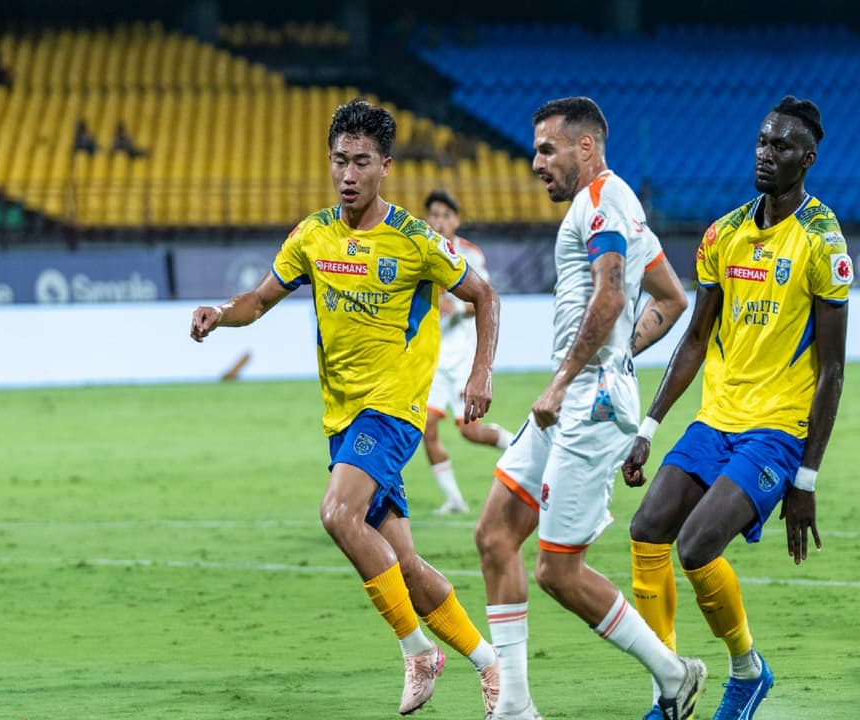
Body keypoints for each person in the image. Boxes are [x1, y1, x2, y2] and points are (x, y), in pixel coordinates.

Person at [190, 98, 502, 716]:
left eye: (361, 162)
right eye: (339, 161)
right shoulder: (313, 235)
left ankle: (417, 651)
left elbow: (484, 294)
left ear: (385, 166)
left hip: (393, 409)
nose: (348, 174)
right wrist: (221, 315)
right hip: (342, 416)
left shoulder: (414, 240)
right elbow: (258, 298)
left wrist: (479, 371)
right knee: (406, 566)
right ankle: (492, 668)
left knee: (337, 514)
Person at [622, 96, 849, 720]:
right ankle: (670, 687)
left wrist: (806, 477)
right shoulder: (723, 233)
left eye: (780, 147)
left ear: (807, 159)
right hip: (715, 420)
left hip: (776, 431)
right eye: (761, 142)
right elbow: (695, 339)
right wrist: (648, 426)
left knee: (695, 547)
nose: (765, 154)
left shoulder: (823, 241)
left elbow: (832, 370)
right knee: (646, 531)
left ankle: (747, 671)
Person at [474, 96, 699, 720]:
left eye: (547, 149)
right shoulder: (612, 206)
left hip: (588, 401)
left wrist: (574, 374)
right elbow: (671, 297)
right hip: (577, 394)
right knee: (496, 534)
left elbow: (607, 293)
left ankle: (673, 673)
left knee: (557, 571)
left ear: (586, 145)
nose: (536, 162)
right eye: (536, 150)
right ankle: (515, 707)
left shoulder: (603, 201)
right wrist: (620, 352)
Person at [420, 189, 513, 515]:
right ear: (427, 218)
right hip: (430, 360)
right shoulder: (418, 250)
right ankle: (455, 500)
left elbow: (485, 299)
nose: (440, 221)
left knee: (470, 431)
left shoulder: (468, 254)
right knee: (426, 430)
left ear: (456, 220)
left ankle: (518, 449)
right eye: (434, 214)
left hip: (461, 359)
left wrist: (455, 307)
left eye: (446, 215)